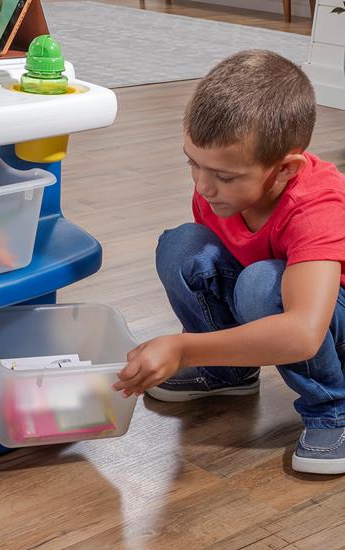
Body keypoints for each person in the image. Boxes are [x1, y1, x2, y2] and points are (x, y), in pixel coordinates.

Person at [114, 50, 345, 475]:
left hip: (326, 319)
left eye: (224, 176)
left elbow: (303, 332)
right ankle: (229, 374)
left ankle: (333, 407)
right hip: (284, 299)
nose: (204, 186)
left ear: (285, 170)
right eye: (193, 164)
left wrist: (184, 349)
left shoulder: (318, 204)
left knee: (260, 284)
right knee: (182, 246)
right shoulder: (214, 189)